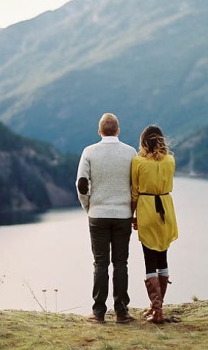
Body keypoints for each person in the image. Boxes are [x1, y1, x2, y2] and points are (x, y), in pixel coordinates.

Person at [76, 113, 137, 324]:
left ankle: (99, 312)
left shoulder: (89, 152)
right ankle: (122, 312)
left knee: (100, 263)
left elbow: (82, 184)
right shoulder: (131, 153)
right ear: (118, 130)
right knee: (121, 263)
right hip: (123, 216)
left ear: (99, 131)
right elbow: (135, 186)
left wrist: (88, 207)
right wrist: (133, 210)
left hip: (98, 215)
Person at [131, 125, 178, 324]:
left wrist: (133, 215)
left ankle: (156, 309)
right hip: (166, 210)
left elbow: (134, 192)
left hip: (147, 209)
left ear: (143, 142)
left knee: (149, 258)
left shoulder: (138, 162)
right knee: (163, 257)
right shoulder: (170, 160)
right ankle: (157, 307)